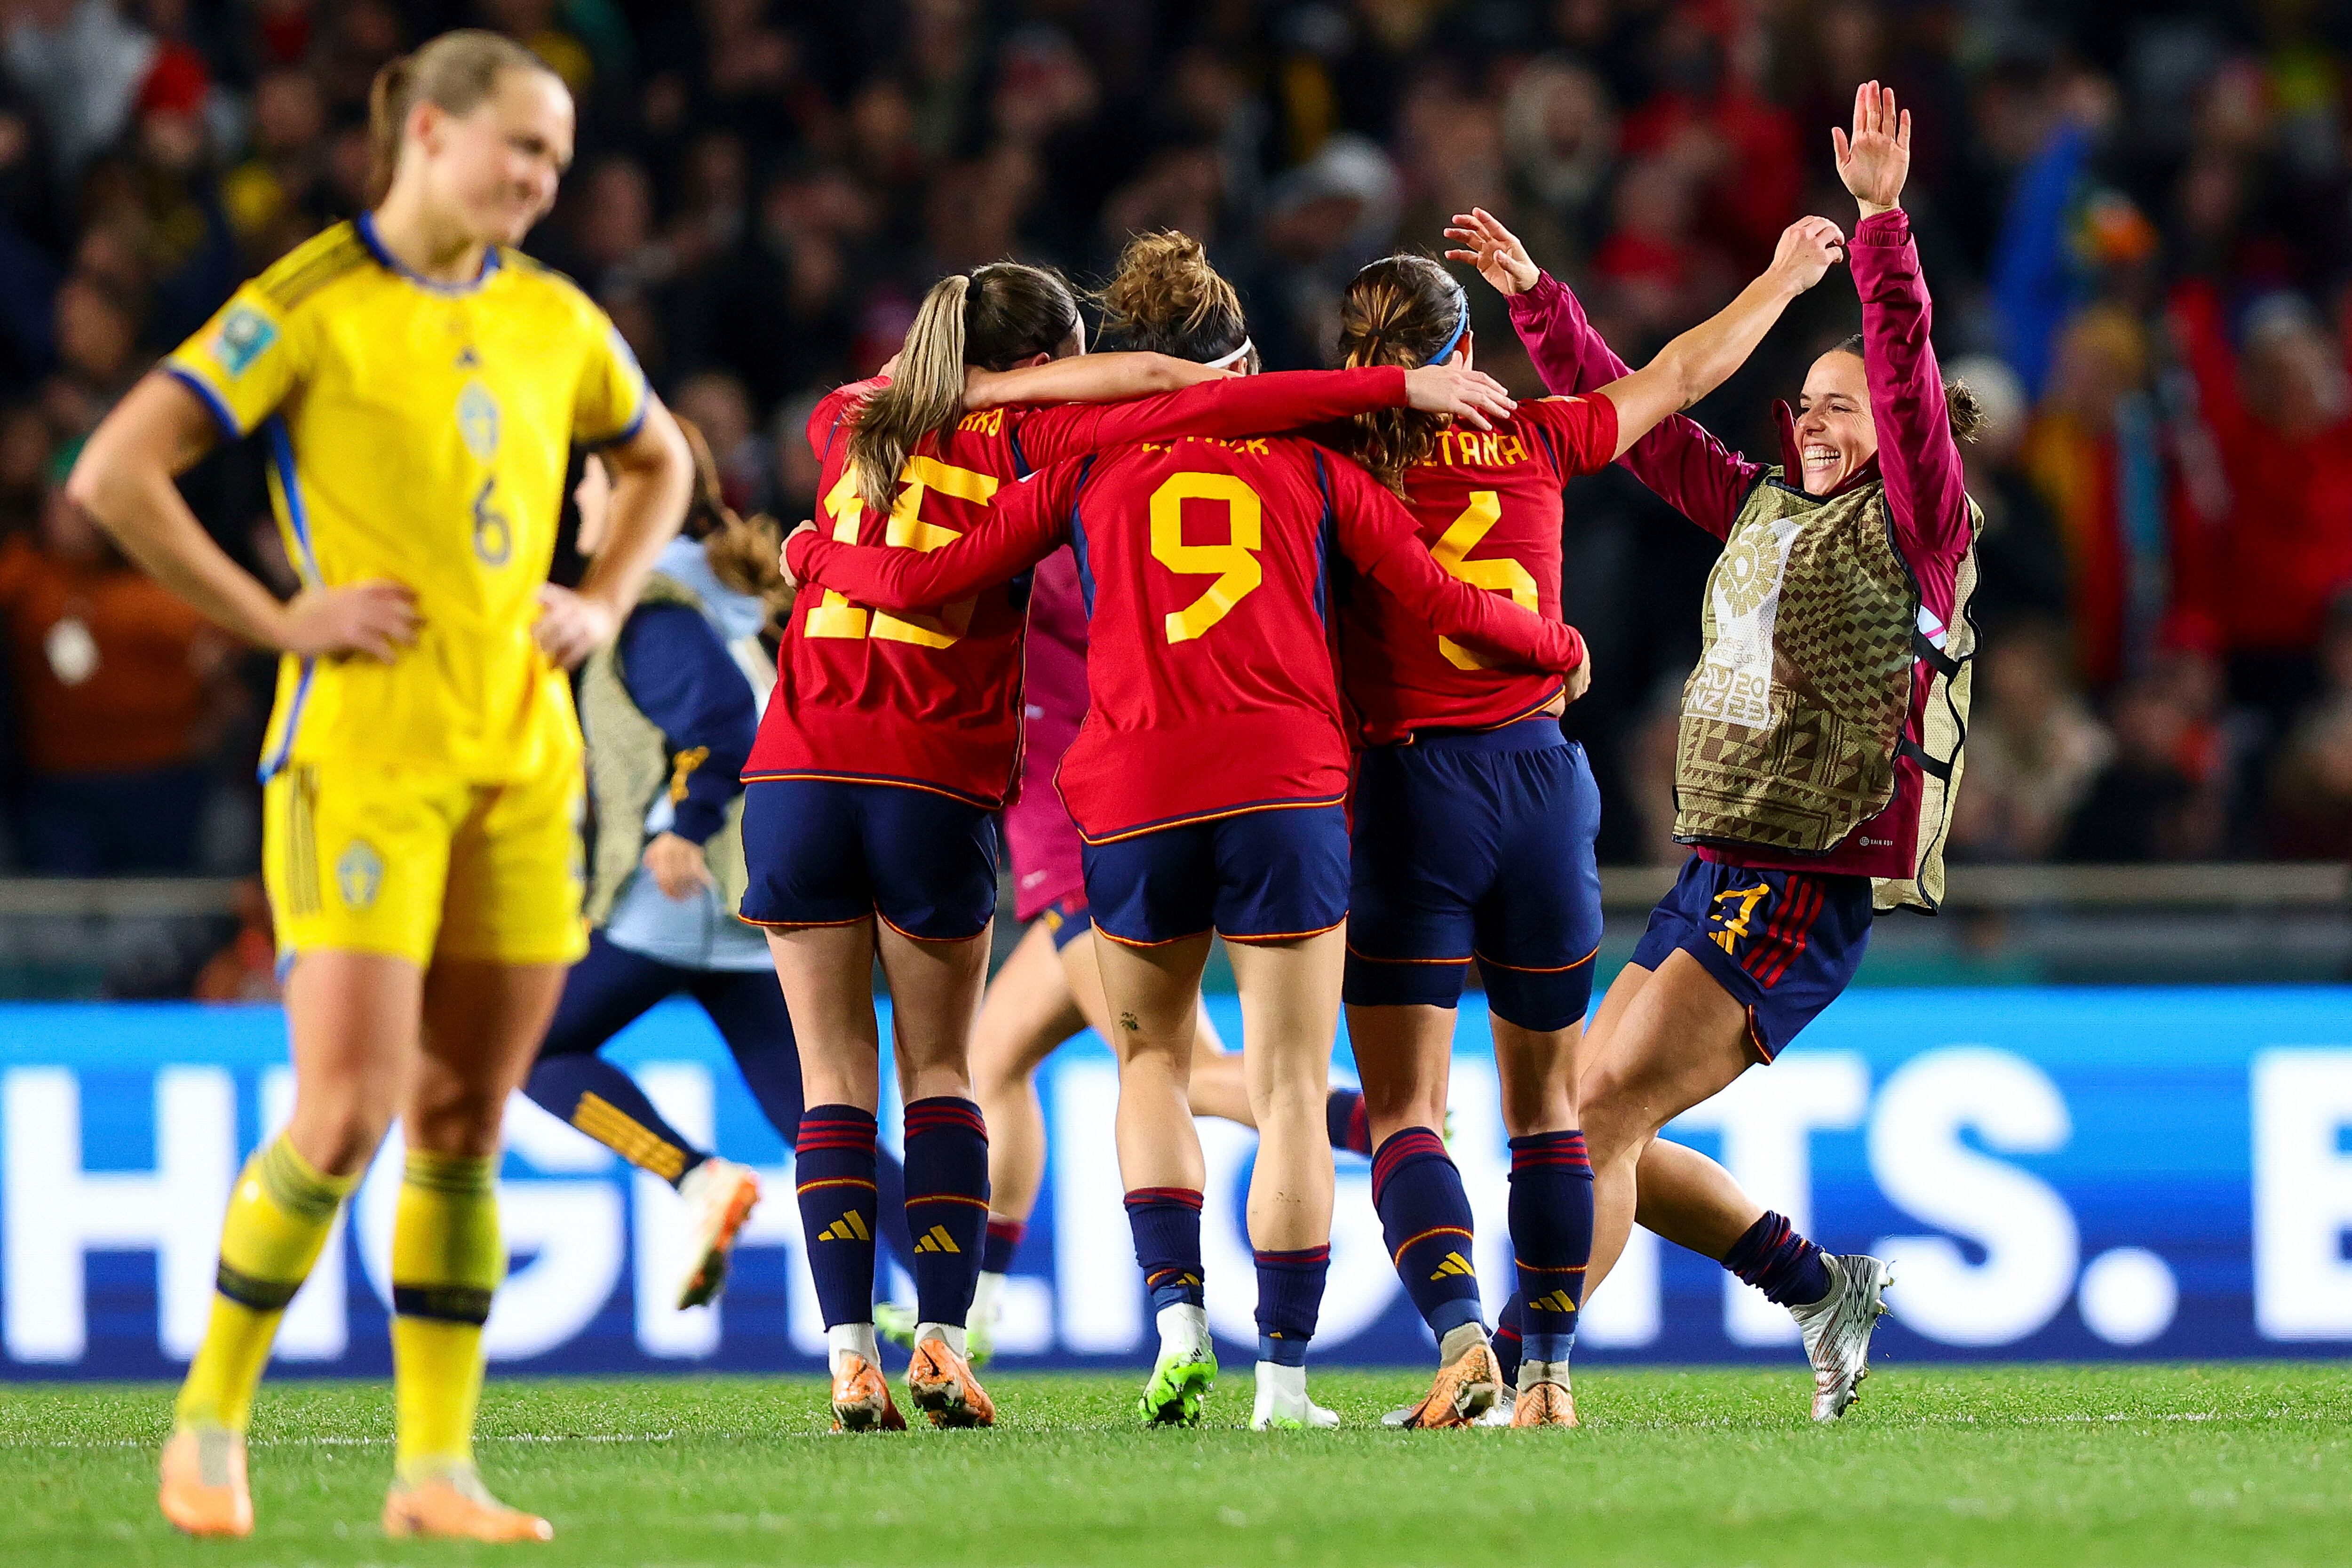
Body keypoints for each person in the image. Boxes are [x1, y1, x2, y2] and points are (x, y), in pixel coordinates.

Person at [781, 231, 1589, 1431]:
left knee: (1134, 1063)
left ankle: (1159, 1320)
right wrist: (1553, 644)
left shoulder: (1005, 454)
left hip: (1081, 791)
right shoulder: (1296, 458)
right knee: (1282, 1082)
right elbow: (1429, 590)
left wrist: (815, 554)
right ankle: (1285, 1382)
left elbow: (926, 575)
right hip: (1284, 784)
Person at [68, 31, 694, 1540]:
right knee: (345, 1112)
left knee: (467, 1115)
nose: (546, 182)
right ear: (427, 132)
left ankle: (435, 1469)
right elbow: (115, 472)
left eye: (557, 157)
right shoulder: (312, 301)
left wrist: (601, 600)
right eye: (523, 149)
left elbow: (663, 460)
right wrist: (276, 616)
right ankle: (210, 1418)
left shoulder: (557, 317)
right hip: (362, 756)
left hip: (524, 762)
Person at [1449, 82, 1978, 1421]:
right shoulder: (1755, 507)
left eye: (1842, 408)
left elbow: (1909, 383)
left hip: (1804, 880)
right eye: (1805, 403)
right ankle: (1817, 1285)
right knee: (1579, 1104)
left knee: (1601, 1112)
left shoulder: (1918, 530)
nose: (1816, 420)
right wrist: (1539, 306)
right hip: (1719, 861)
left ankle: (1510, 1368)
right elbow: (1629, 419)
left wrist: (1880, 233)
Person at [1327, 219, 1846, 1427]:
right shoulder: (1535, 436)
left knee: (1406, 1110)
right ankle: (1546, 1380)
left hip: (1413, 794)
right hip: (1542, 790)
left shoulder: (1336, 455)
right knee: (1550, 1111)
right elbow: (1680, 374)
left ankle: (1465, 1340)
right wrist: (1779, 273)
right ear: (1465, 348)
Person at [938, 535, 1375, 1367]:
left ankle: (1368, 1121)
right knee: (994, 1056)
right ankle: (980, 1307)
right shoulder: (1077, 535)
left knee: (1175, 1068)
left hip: (1083, 835)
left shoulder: (1066, 548)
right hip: (1071, 834)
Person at [521, 425, 924, 1311]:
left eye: (585, 484)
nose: (577, 503)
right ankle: (947, 1300)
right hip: (765, 881)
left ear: (628, 496)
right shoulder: (714, 587)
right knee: (817, 1112)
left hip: (686, 886)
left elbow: (719, 722)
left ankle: (696, 1177)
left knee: (538, 1048)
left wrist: (680, 824)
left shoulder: (655, 604)